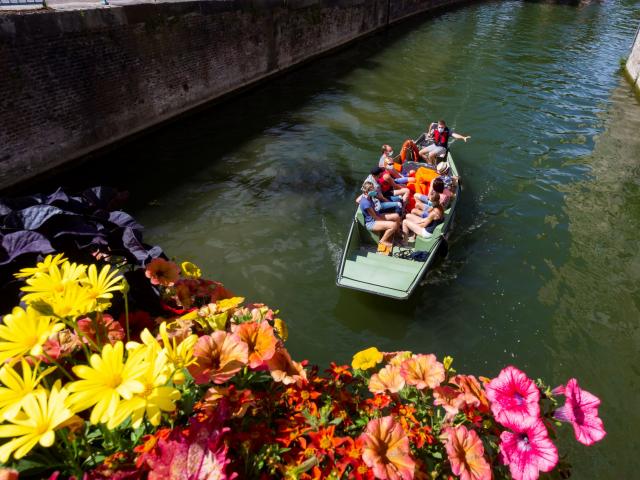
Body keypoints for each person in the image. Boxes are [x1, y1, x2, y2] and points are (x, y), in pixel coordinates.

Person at [359, 182, 400, 254]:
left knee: (396, 216)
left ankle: (397, 232)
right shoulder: (366, 203)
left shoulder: (368, 196)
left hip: (377, 215)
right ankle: (382, 241)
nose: (374, 190)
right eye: (372, 189)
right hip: (371, 222)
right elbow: (374, 217)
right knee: (393, 225)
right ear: (366, 192)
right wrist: (386, 223)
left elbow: (358, 200)